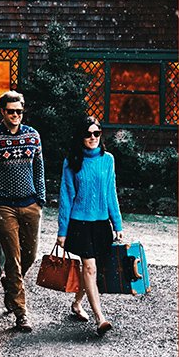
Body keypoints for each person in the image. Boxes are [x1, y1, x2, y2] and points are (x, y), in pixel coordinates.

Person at [0, 91, 45, 332]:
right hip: (3, 206)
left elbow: (39, 169)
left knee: (30, 255)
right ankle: (21, 313)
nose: (15, 115)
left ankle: (10, 285)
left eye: (19, 111)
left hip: (30, 204)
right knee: (13, 258)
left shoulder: (33, 136)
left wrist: (40, 199)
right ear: (2, 112)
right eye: (11, 111)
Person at [56, 116, 123, 336]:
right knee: (90, 267)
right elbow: (66, 197)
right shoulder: (71, 162)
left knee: (92, 269)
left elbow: (110, 193)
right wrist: (62, 231)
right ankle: (100, 318)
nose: (93, 137)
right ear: (80, 137)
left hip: (101, 223)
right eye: (88, 134)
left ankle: (77, 303)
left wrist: (117, 224)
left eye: (97, 133)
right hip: (80, 223)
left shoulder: (108, 160)